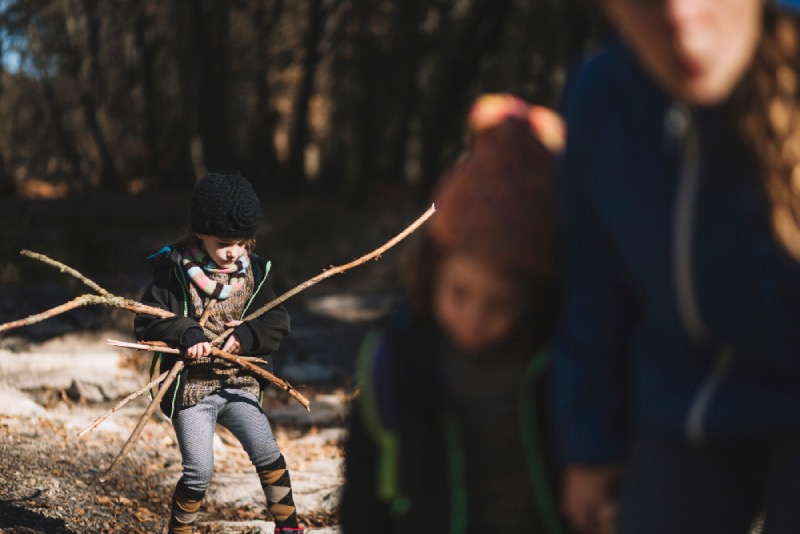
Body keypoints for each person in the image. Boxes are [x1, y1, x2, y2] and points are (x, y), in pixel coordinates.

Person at [555, 2, 800, 533]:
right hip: (681, 399)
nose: (682, 20)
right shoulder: (603, 97)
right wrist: (590, 445)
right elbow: (594, 287)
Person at [339, 94, 570, 532]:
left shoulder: (558, 357)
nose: (474, 318)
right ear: (432, 273)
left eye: (498, 304)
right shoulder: (400, 358)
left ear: (536, 296)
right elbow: (365, 483)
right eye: (459, 293)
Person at [133, 173, 303, 534]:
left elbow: (279, 320)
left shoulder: (253, 273)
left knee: (267, 451)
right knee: (199, 469)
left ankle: (288, 527)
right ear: (200, 233)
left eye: (243, 243)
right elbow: (146, 322)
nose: (234, 253)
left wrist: (248, 334)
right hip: (192, 392)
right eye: (225, 243)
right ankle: (180, 530)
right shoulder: (173, 273)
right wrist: (185, 332)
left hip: (238, 385)